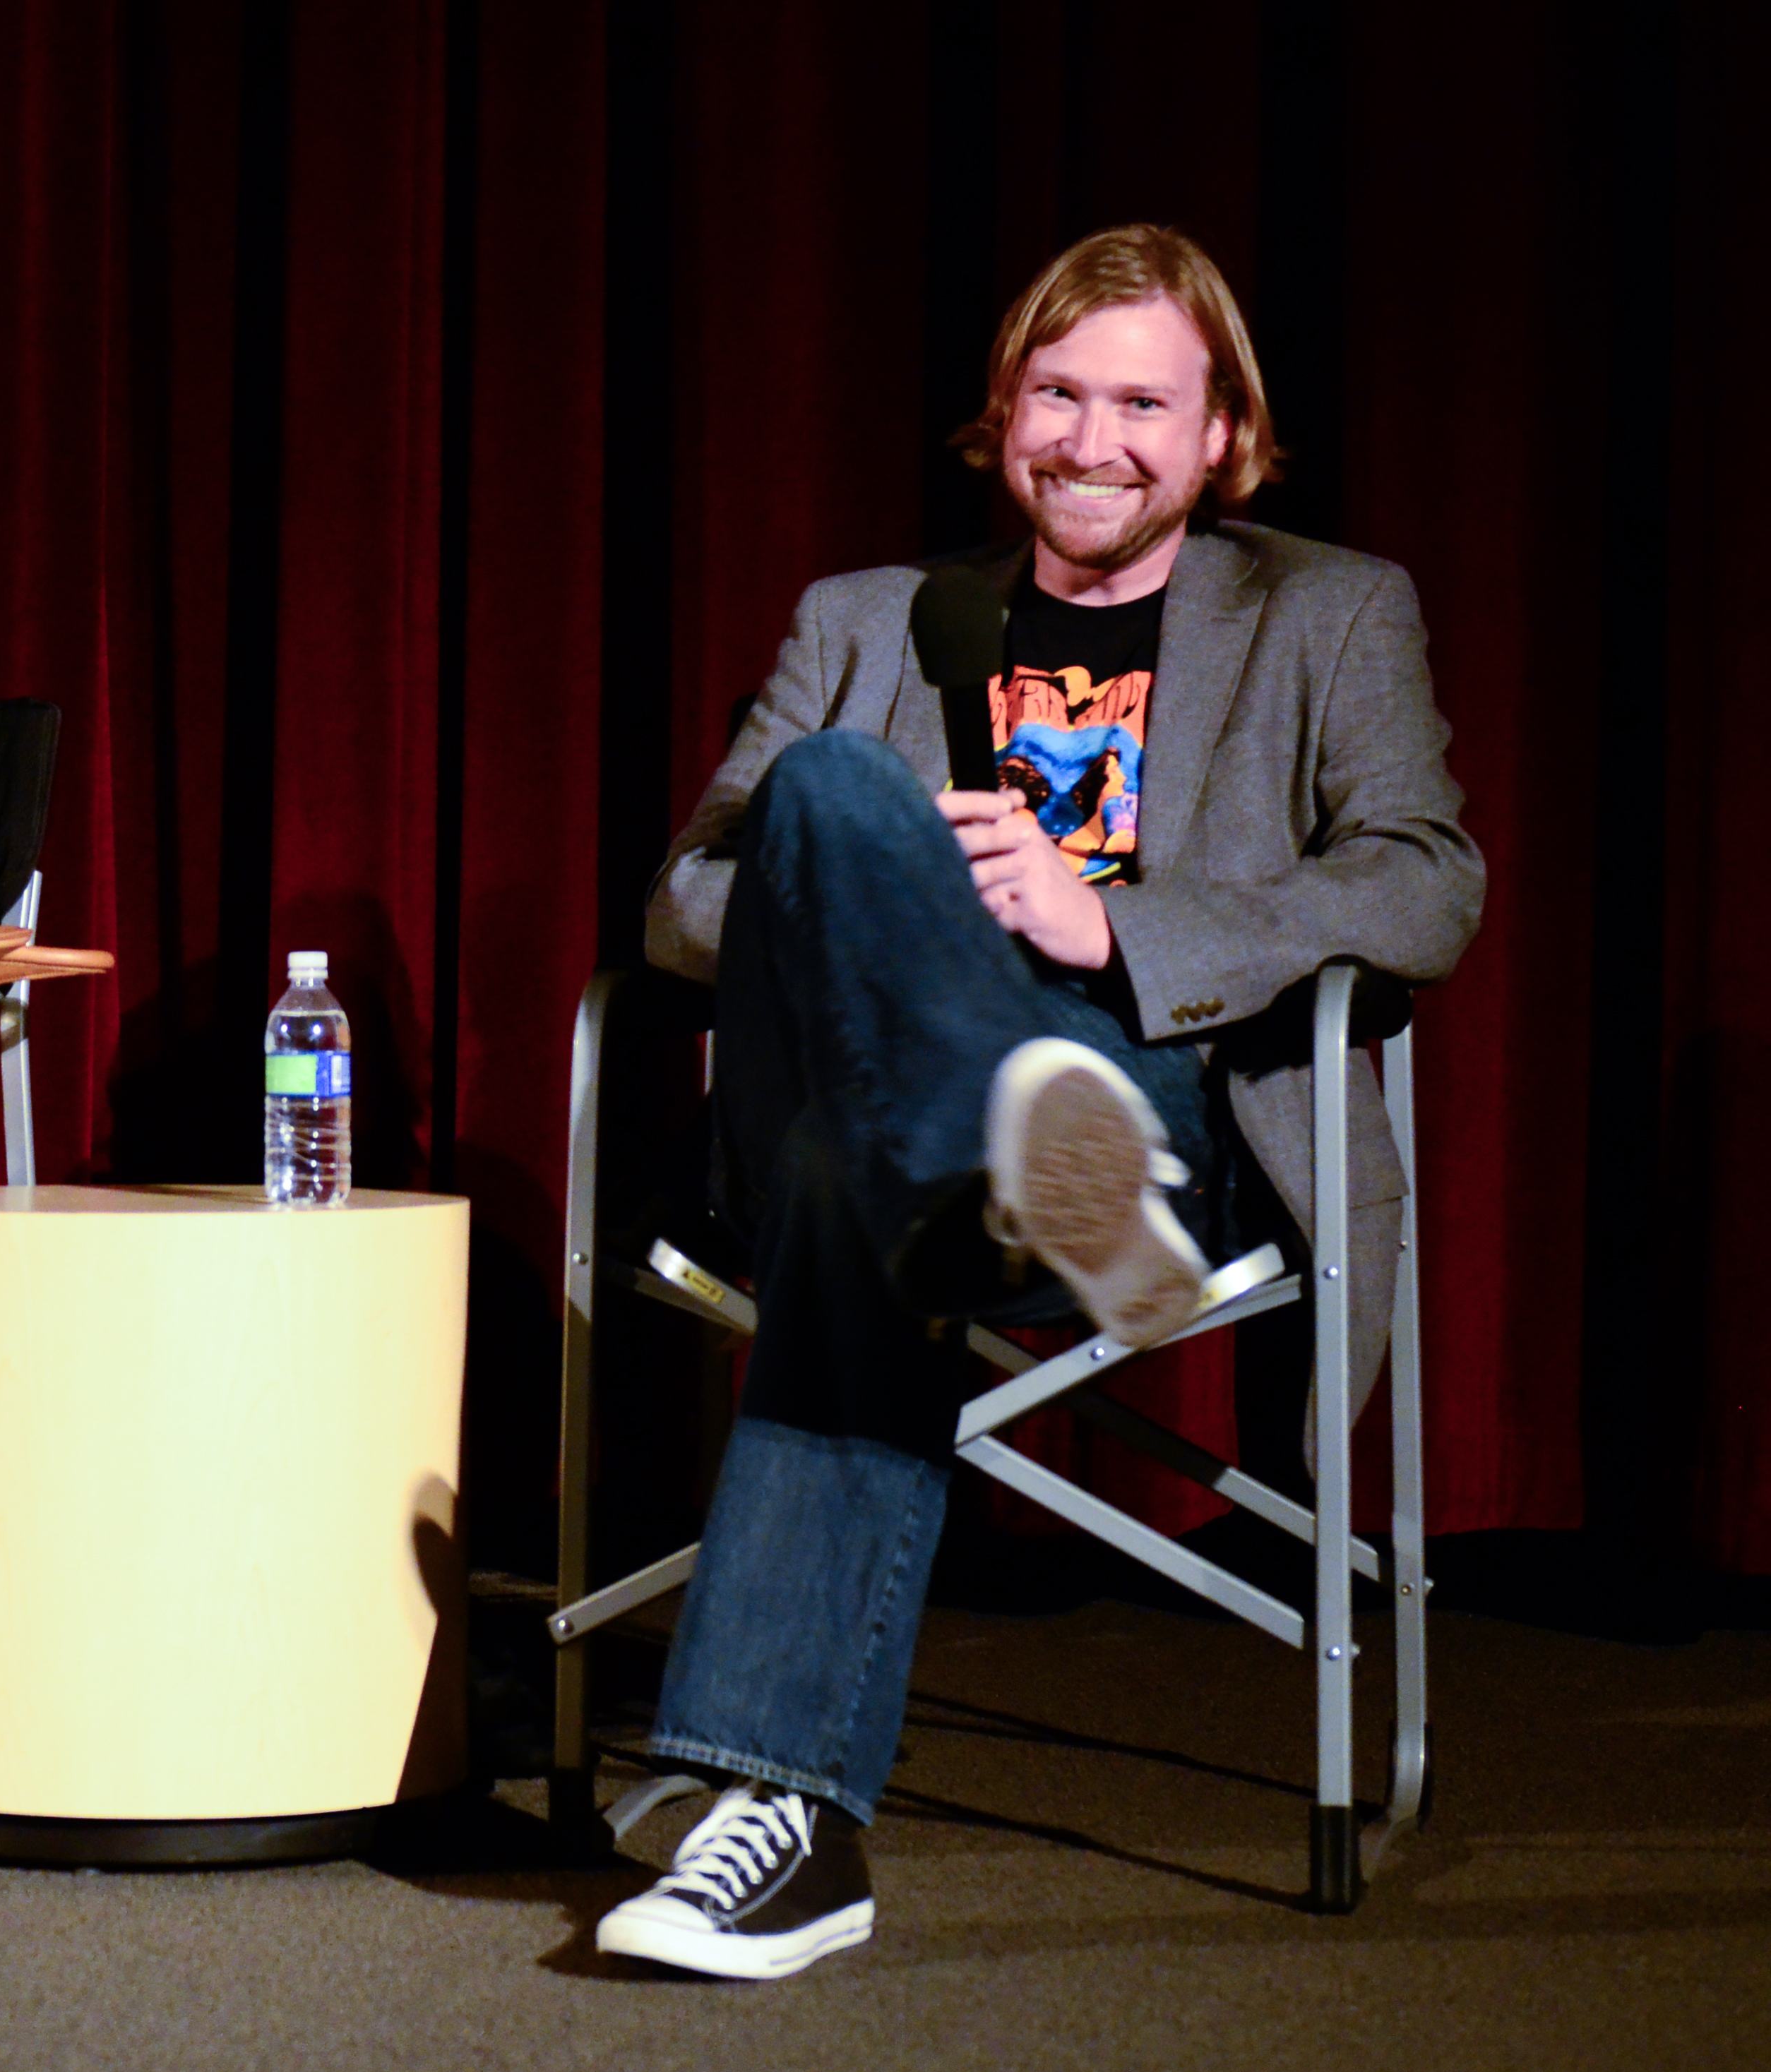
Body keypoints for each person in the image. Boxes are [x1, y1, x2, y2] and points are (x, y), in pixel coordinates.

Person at [595, 227, 1484, 1977]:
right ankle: (983, 1136)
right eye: (1059, 395)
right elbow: (678, 907)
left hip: (1159, 1132)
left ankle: (781, 1828)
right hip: (874, 1109)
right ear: (1003, 413)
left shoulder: (1329, 610)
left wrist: (1112, 923)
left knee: (865, 1218)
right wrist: (879, 883)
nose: (1093, 440)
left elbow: (1424, 886)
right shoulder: (863, 623)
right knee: (838, 796)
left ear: (1222, 431)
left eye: (1142, 403)